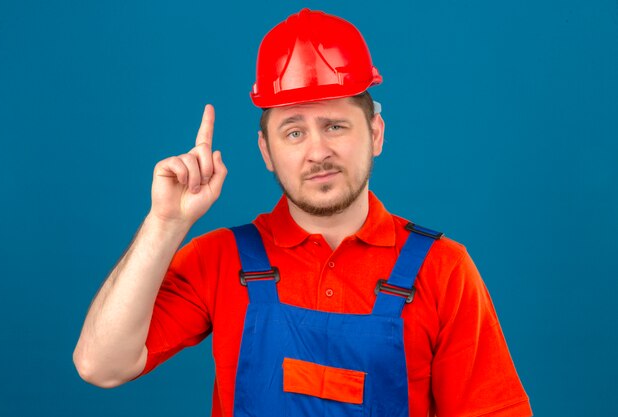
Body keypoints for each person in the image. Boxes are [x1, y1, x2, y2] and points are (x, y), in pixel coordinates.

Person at [74, 8, 532, 417]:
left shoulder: (443, 270)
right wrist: (165, 224)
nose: (318, 151)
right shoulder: (220, 260)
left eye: (335, 125)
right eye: (293, 132)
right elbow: (100, 365)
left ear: (375, 133)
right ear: (266, 151)